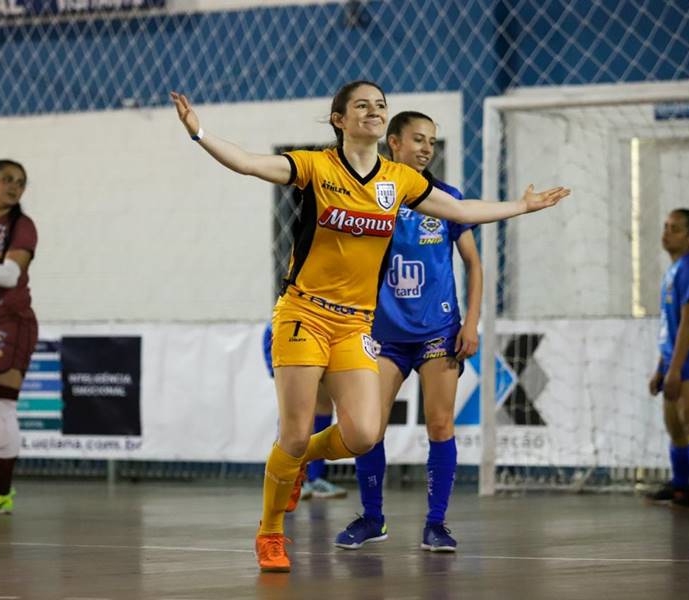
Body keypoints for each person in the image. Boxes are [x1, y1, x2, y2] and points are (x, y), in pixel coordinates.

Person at [171, 80, 570, 572]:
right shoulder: (316, 166)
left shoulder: (399, 180)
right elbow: (250, 162)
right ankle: (271, 531)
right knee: (295, 432)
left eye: (380, 105)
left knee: (362, 434)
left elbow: (462, 211)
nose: (374, 111)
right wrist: (200, 132)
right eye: (362, 105)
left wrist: (521, 207)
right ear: (340, 119)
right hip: (303, 313)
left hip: (356, 323)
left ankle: (293, 462)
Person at [334, 111, 479, 552]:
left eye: (431, 142)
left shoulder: (446, 198)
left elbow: (473, 262)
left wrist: (470, 323)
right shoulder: (371, 198)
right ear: (392, 143)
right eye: (418, 139)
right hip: (384, 334)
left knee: (439, 425)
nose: (426, 148)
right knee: (366, 429)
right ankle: (374, 518)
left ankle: (436, 524)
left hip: (438, 332)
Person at [0, 159, 38, 515]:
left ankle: (0, 494)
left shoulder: (22, 225)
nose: (14, 186)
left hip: (9, 320)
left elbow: (8, 275)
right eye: (6, 179)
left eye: (20, 182)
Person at [262, 322, 347, 500]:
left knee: (323, 405)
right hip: (292, 333)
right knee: (295, 410)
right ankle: (285, 479)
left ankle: (315, 478)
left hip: (324, 334)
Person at [647, 208, 689, 507]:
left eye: (674, 228)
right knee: (674, 426)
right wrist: (661, 369)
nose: (666, 233)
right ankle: (681, 485)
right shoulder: (671, 272)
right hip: (672, 362)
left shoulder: (688, 268)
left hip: (685, 364)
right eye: (665, 226)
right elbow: (669, 325)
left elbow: (688, 320)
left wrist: (676, 369)